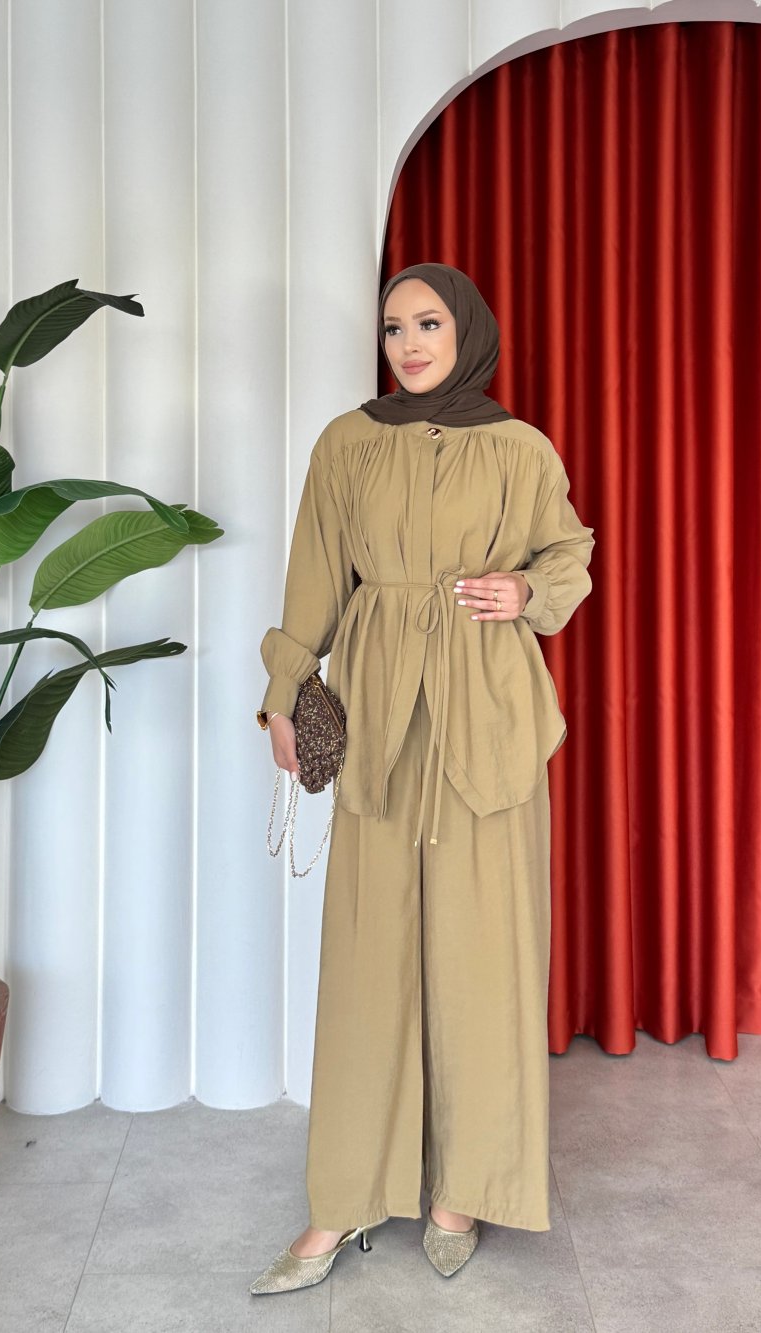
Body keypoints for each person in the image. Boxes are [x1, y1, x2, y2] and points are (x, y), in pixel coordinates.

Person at [250, 262, 595, 1294]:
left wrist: (525, 589)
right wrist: (283, 691)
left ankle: (462, 1193)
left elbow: (568, 553)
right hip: (377, 715)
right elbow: (315, 572)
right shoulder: (347, 443)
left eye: (428, 323)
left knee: (484, 959)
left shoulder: (519, 447)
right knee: (370, 960)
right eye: (394, 326)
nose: (407, 343)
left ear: (466, 331)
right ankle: (344, 1196)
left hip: (486, 717)